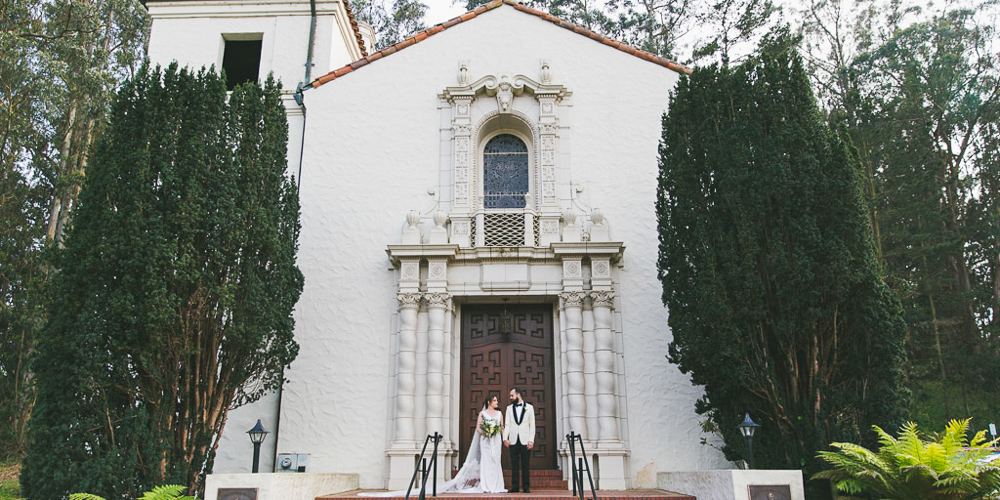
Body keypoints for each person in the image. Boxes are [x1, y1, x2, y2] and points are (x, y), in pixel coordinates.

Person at [503, 387, 536, 493]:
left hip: (525, 440)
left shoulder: (529, 408)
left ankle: (526, 487)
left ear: (518, 395)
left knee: (525, 464)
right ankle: (515, 486)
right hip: (513, 440)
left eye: (512, 395)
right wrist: (505, 438)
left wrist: (531, 440)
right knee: (514, 464)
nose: (510, 398)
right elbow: (507, 424)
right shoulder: (509, 408)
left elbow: (532, 425)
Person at [475, 394, 506, 493]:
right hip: (485, 441)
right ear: (489, 402)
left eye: (497, 400)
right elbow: (478, 428)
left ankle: (496, 485)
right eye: (495, 401)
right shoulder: (482, 414)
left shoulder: (499, 413)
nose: (497, 402)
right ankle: (486, 485)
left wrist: (504, 438)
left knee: (496, 461)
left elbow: (502, 427)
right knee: (486, 461)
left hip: (496, 440)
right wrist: (486, 433)